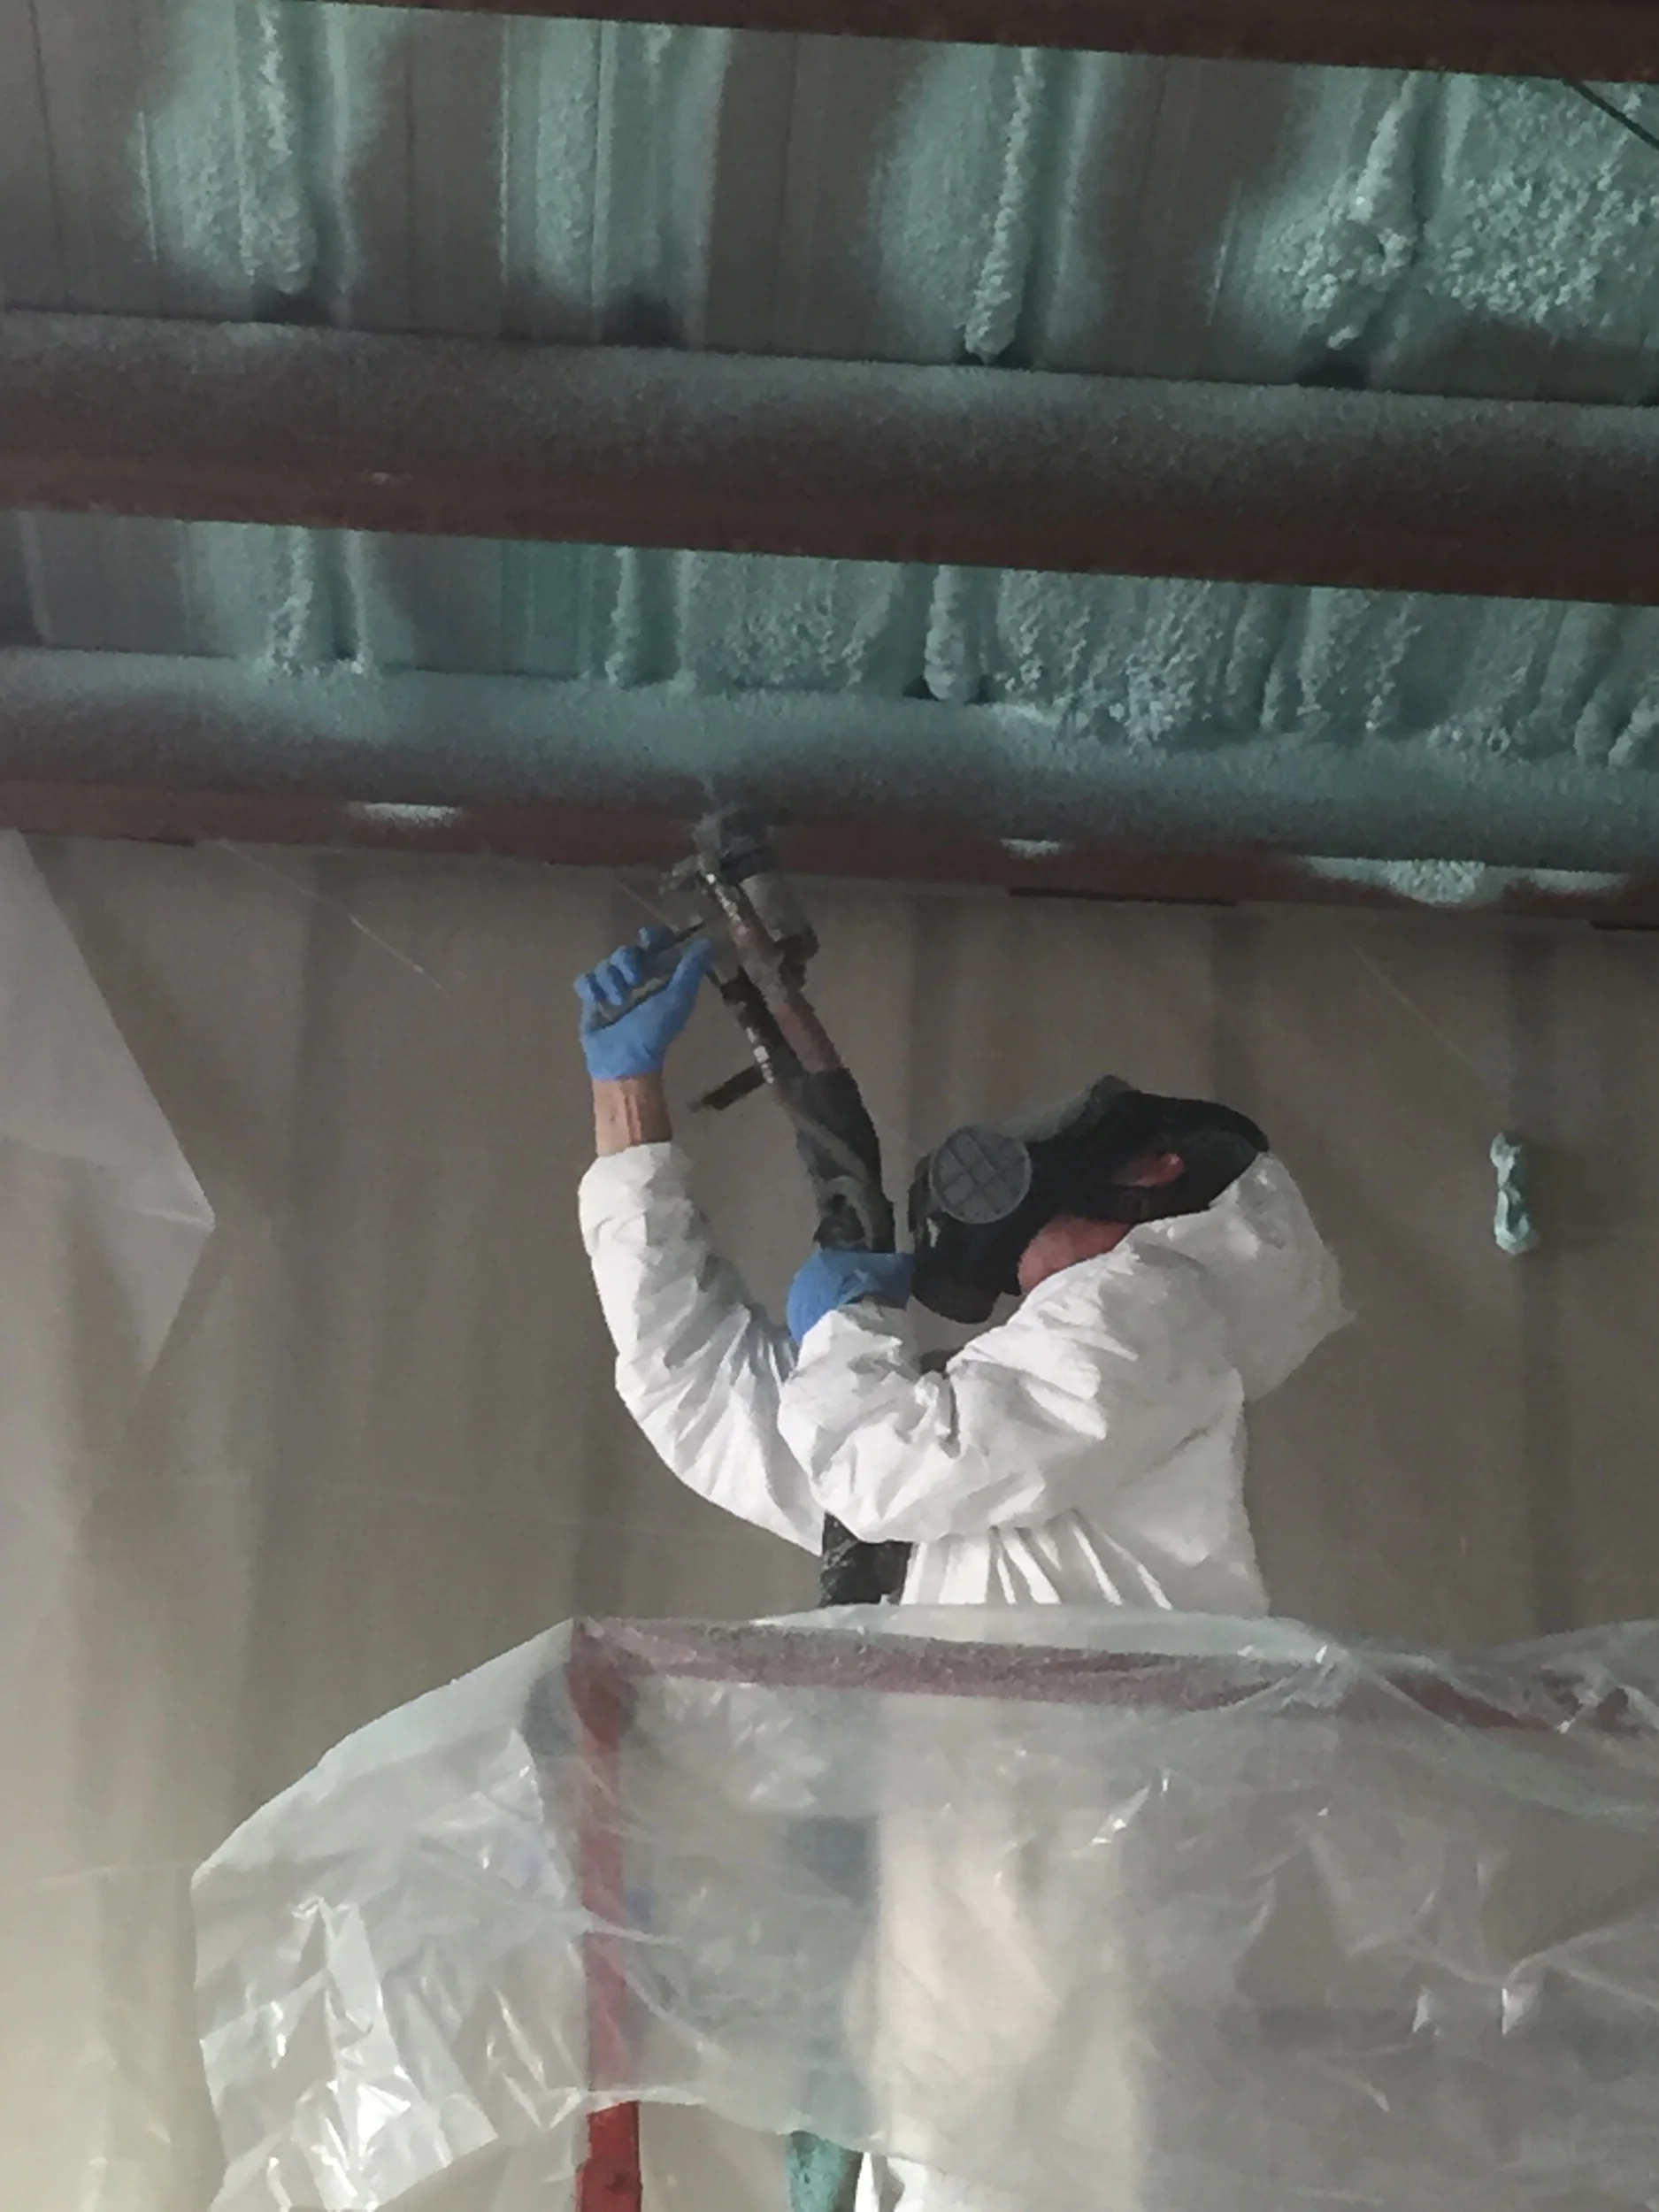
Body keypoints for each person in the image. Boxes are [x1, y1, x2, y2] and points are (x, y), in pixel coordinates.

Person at [575, 926, 1346, 2210]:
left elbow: (881, 1468)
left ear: (1156, 1170)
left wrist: (852, 1329)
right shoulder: (995, 1441)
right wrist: (626, 1114)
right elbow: (702, 1398)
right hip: (970, 1897)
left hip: (1067, 1889)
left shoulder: (1158, 1304)